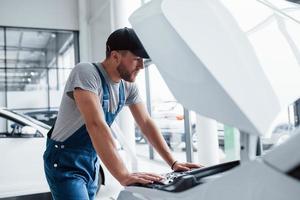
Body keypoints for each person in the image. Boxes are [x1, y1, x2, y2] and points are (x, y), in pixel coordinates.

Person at [43, 27, 201, 200]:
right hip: (65, 161)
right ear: (115, 56)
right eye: (136, 59)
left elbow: (146, 123)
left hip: (91, 161)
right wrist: (124, 175)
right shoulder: (86, 73)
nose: (141, 66)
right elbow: (95, 124)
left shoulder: (128, 86)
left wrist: (173, 162)